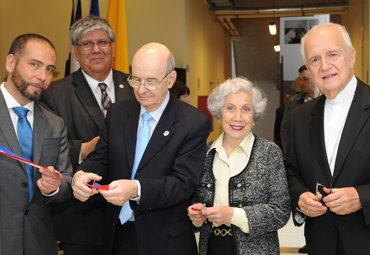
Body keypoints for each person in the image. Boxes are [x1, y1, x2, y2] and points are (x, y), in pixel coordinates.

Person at [72, 42, 211, 255]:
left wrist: (136, 189)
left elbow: (182, 183)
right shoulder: (118, 113)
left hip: (165, 241)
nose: (141, 89)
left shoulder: (193, 122)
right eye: (135, 79)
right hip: (117, 236)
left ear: (171, 80)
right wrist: (83, 174)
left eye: (151, 81)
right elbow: (101, 158)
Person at [39, 15, 134, 255]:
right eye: (87, 44)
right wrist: (83, 149)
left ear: (112, 48)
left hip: (131, 216)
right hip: (82, 220)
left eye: (103, 42)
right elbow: (46, 151)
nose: (96, 50)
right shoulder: (54, 93)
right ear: (76, 52)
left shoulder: (135, 87)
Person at [286, 23, 370, 255]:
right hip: (320, 243)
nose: (324, 66)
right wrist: (300, 197)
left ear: (351, 57)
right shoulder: (299, 117)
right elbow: (292, 171)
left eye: (332, 54)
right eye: (315, 59)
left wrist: (361, 197)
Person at [188, 77, 290, 255]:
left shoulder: (269, 153)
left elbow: (280, 212)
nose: (237, 118)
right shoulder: (203, 153)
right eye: (230, 108)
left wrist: (232, 215)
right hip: (211, 247)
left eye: (246, 109)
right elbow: (192, 201)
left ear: (254, 115)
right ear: (219, 114)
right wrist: (195, 215)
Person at [0, 34, 72, 254]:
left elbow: (65, 184)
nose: (43, 77)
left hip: (39, 244)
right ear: (11, 63)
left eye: (50, 69)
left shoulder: (54, 124)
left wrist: (54, 188)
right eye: (35, 65)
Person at [280, 65, 320, 155]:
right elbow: (285, 130)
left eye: (305, 79)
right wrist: (289, 155)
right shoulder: (293, 102)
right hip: (299, 155)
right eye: (299, 79)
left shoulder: (328, 100)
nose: (301, 83)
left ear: (315, 78)